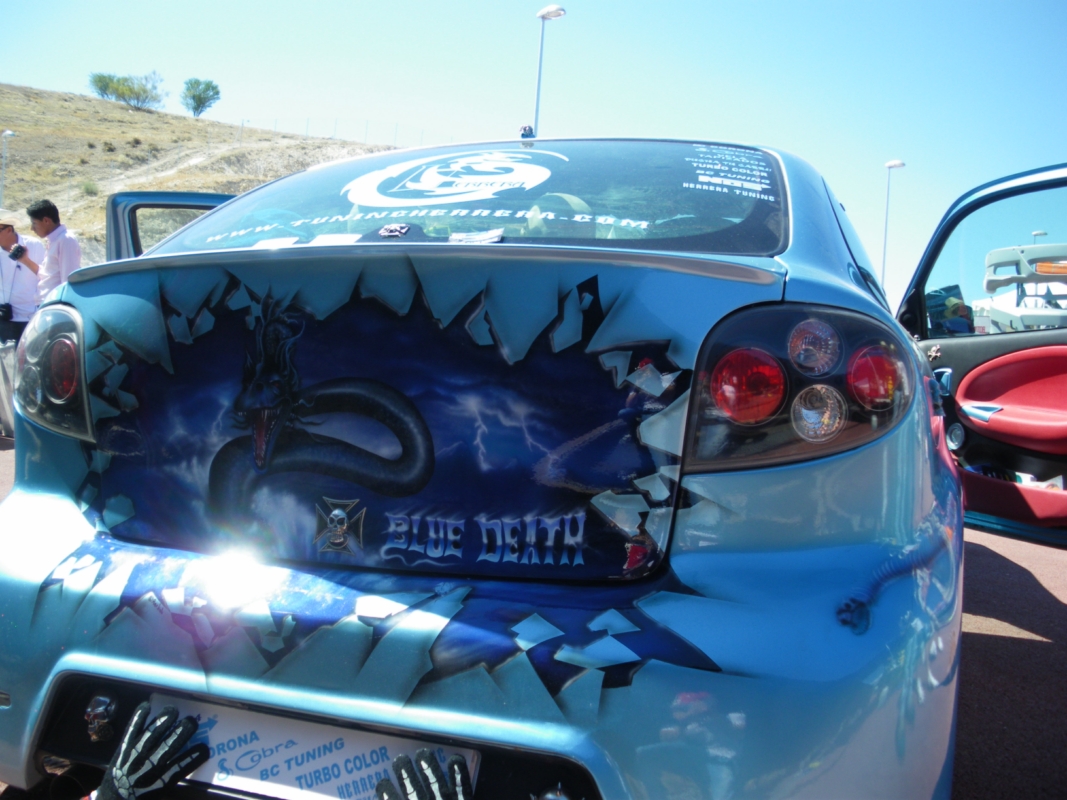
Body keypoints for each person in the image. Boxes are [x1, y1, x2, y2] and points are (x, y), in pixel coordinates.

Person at [0, 211, 43, 343]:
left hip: (30, 318)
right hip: (3, 318)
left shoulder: (34, 245)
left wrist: (25, 260)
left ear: (9, 230)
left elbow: (46, 276)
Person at [27, 199, 80, 304]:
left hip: (56, 304)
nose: (32, 228)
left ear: (46, 221)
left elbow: (68, 279)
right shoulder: (54, 240)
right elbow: (48, 275)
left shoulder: (66, 240)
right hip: (47, 303)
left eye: (34, 223)